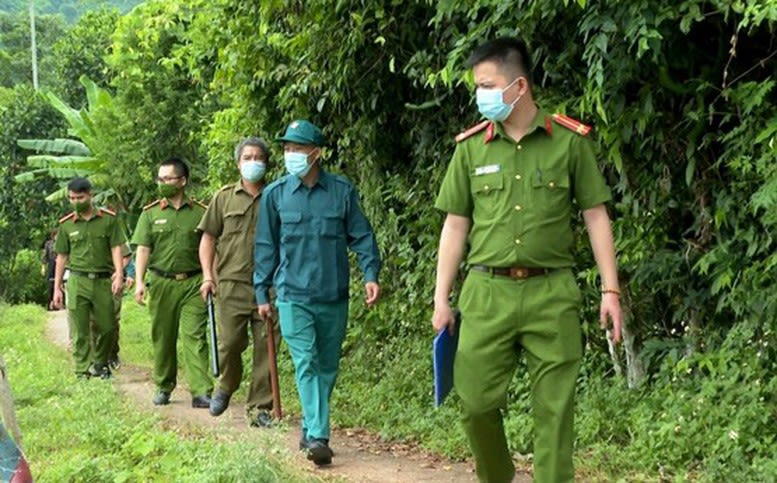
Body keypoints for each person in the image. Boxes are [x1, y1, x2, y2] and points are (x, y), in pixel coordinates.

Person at [431, 38, 623, 483]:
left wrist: (610, 290)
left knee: (555, 415)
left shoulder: (568, 142)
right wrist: (441, 298)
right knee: (475, 403)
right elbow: (455, 226)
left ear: (519, 86)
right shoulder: (471, 148)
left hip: (551, 294)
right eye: (477, 87)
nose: (481, 95)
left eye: (487, 85)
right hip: (486, 295)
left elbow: (596, 216)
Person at [254, 120, 381, 466]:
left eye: (298, 148)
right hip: (292, 295)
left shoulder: (341, 192)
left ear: (316, 153)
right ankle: (320, 437)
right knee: (306, 362)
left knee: (327, 366)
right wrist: (262, 292)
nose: (291, 154)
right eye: (287, 148)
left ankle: (310, 427)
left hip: (333, 294)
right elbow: (265, 246)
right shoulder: (275, 195)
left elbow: (362, 236)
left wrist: (370, 274)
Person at [198, 137, 280, 427]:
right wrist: (208, 276)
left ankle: (259, 408)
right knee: (230, 343)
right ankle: (226, 384)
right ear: (237, 163)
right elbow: (208, 239)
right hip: (231, 284)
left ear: (266, 163)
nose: (253, 162)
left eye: (258, 157)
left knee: (266, 346)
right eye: (247, 157)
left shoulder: (277, 196)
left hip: (270, 285)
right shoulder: (223, 198)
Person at [132, 157, 213, 408]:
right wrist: (139, 282)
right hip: (161, 282)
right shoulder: (150, 213)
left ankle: (201, 390)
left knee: (195, 336)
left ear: (183, 181)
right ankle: (164, 385)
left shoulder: (201, 212)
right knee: (163, 336)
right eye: (160, 179)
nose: (162, 183)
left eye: (168, 178)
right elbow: (143, 249)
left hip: (193, 282)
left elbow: (211, 246)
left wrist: (210, 277)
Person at [52, 177, 126, 379]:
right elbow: (61, 257)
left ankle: (100, 362)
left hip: (102, 281)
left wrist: (119, 275)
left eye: (80, 198)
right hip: (77, 280)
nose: (76, 202)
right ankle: (82, 370)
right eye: (72, 198)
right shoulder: (66, 225)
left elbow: (116, 248)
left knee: (108, 326)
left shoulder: (108, 220)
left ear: (90, 195)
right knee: (80, 329)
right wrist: (57, 288)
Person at [42, 230, 57, 310]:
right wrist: (43, 267)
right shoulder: (48, 244)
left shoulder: (62, 243)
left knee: (61, 284)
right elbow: (45, 256)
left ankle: (59, 304)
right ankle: (50, 304)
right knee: (51, 285)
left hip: (60, 264)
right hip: (51, 264)